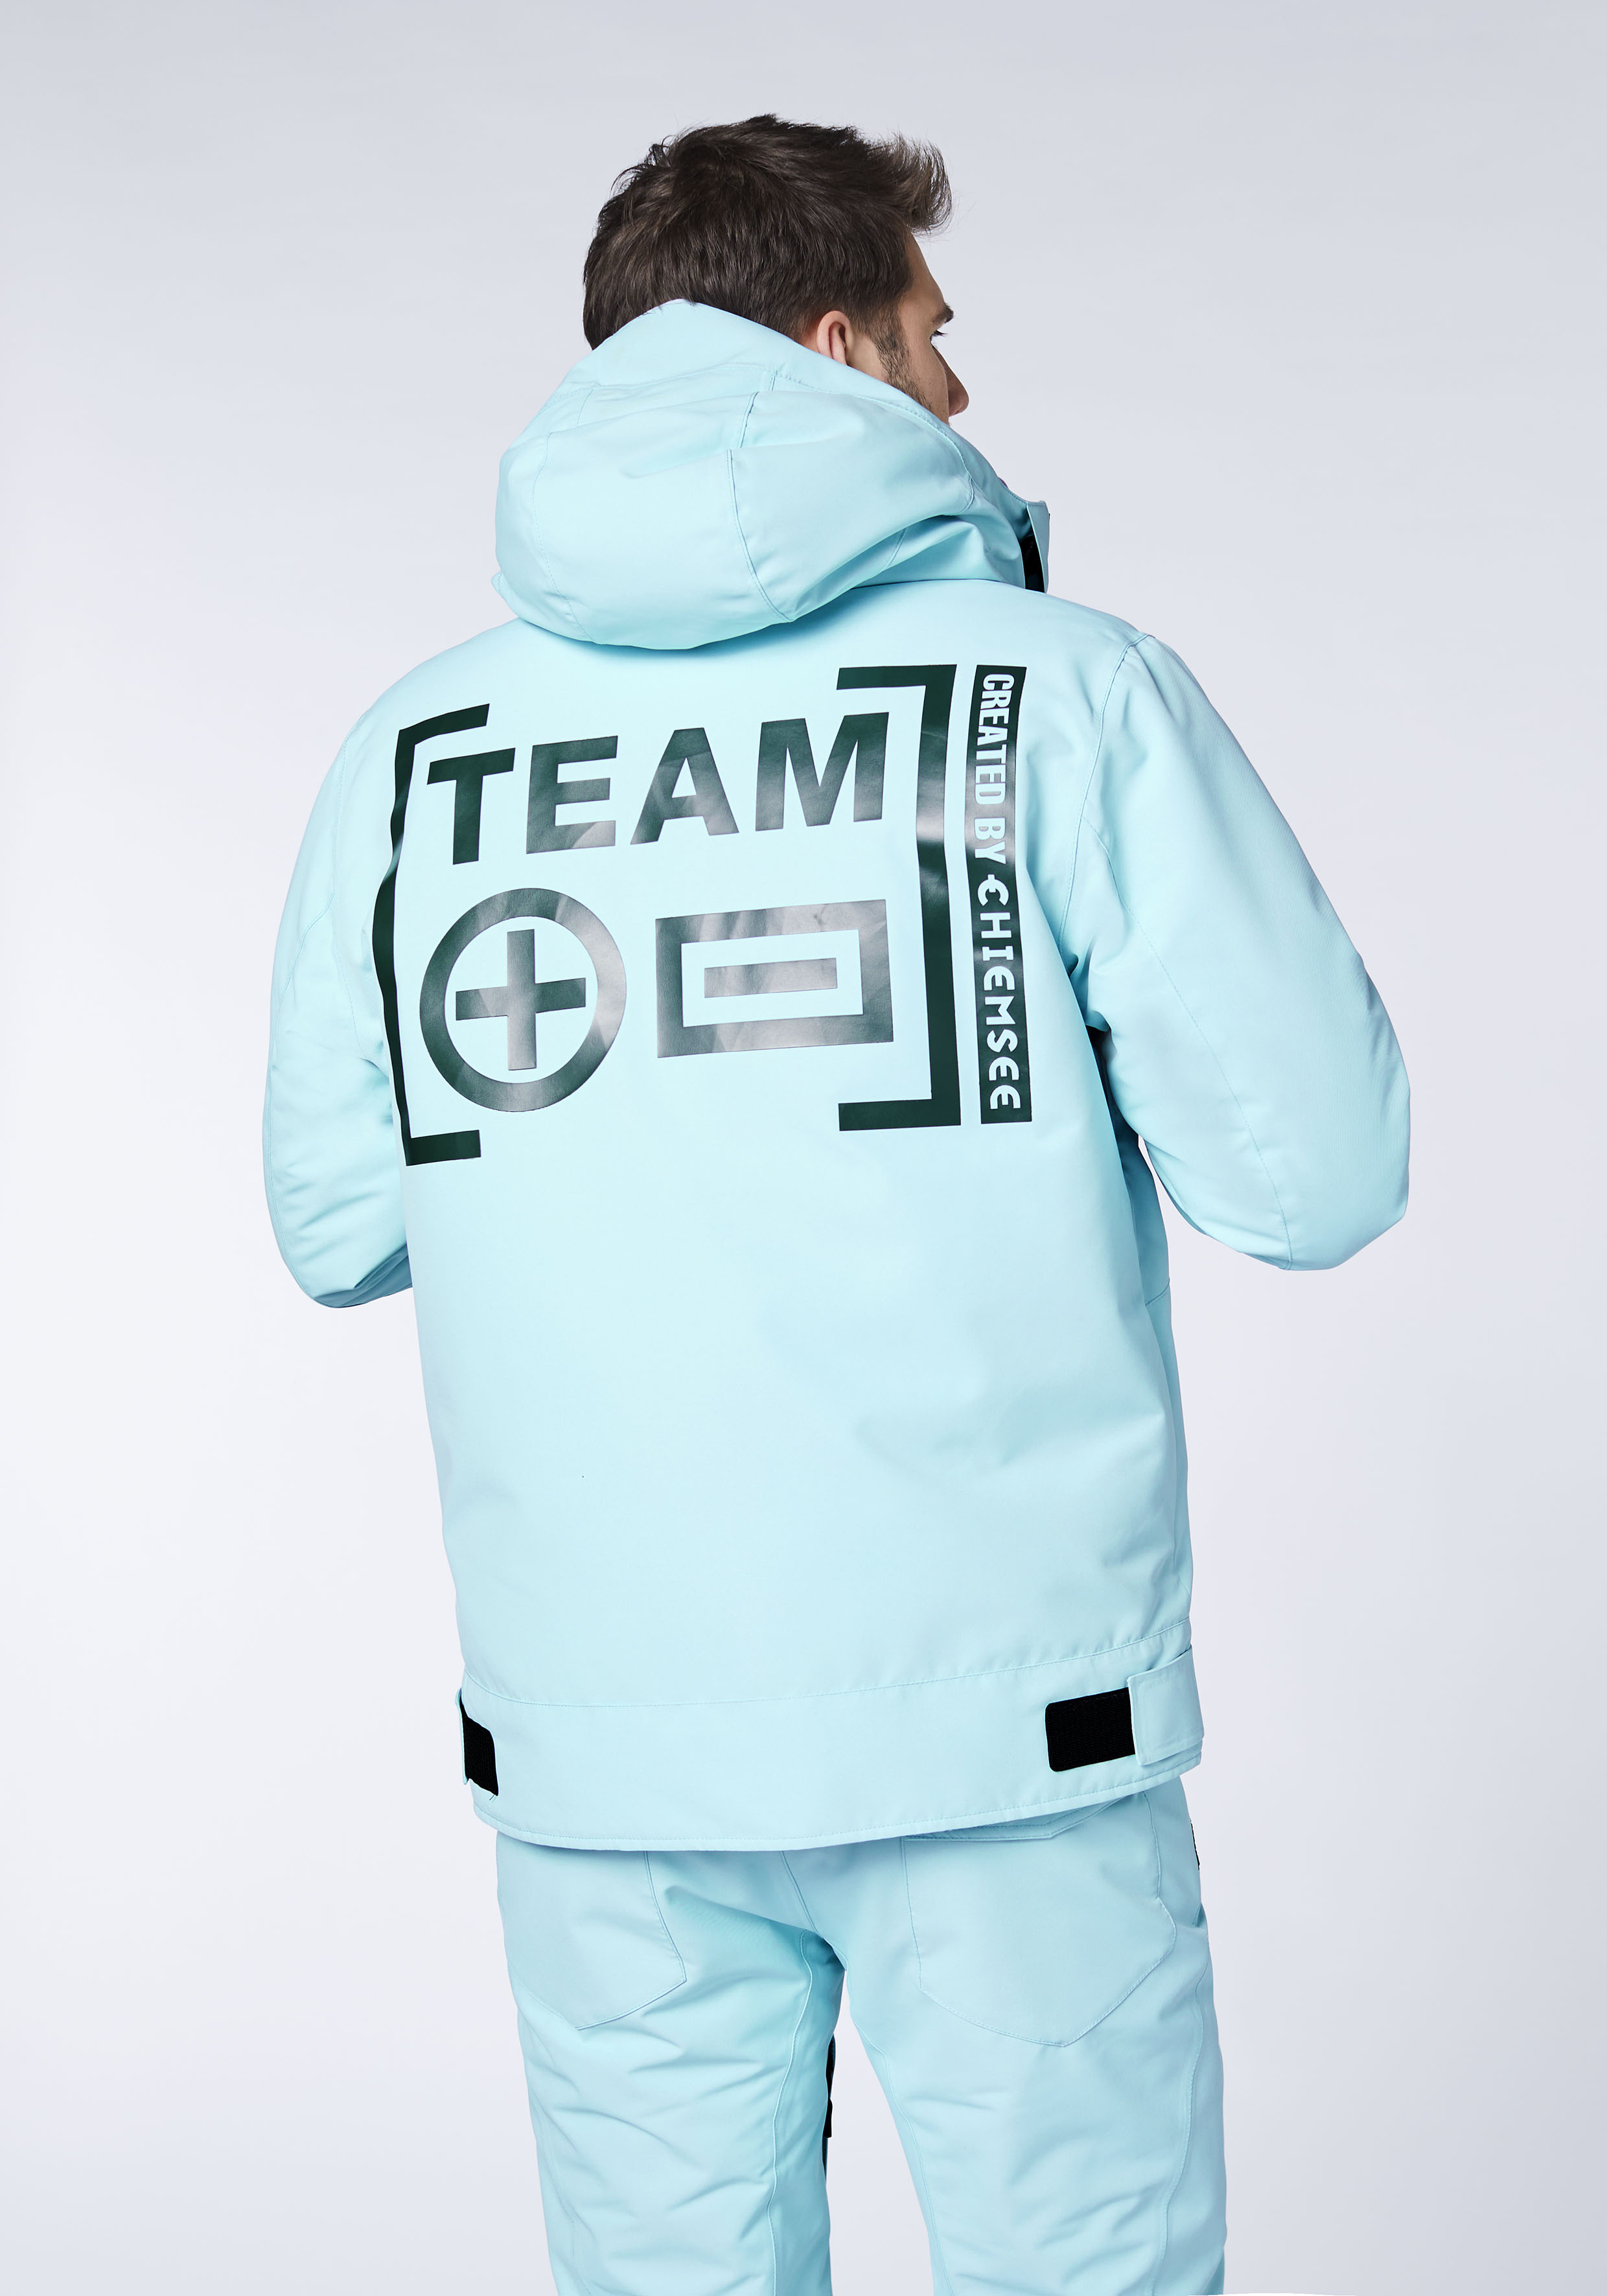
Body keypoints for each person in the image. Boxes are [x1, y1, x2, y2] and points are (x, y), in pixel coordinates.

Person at [264, 115, 1408, 2296]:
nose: (963, 385)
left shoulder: (415, 752)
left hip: (602, 1754)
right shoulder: (1065, 698)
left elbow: (335, 1224)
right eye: (933, 329)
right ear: (836, 346)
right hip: (1011, 1726)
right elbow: (1323, 1176)